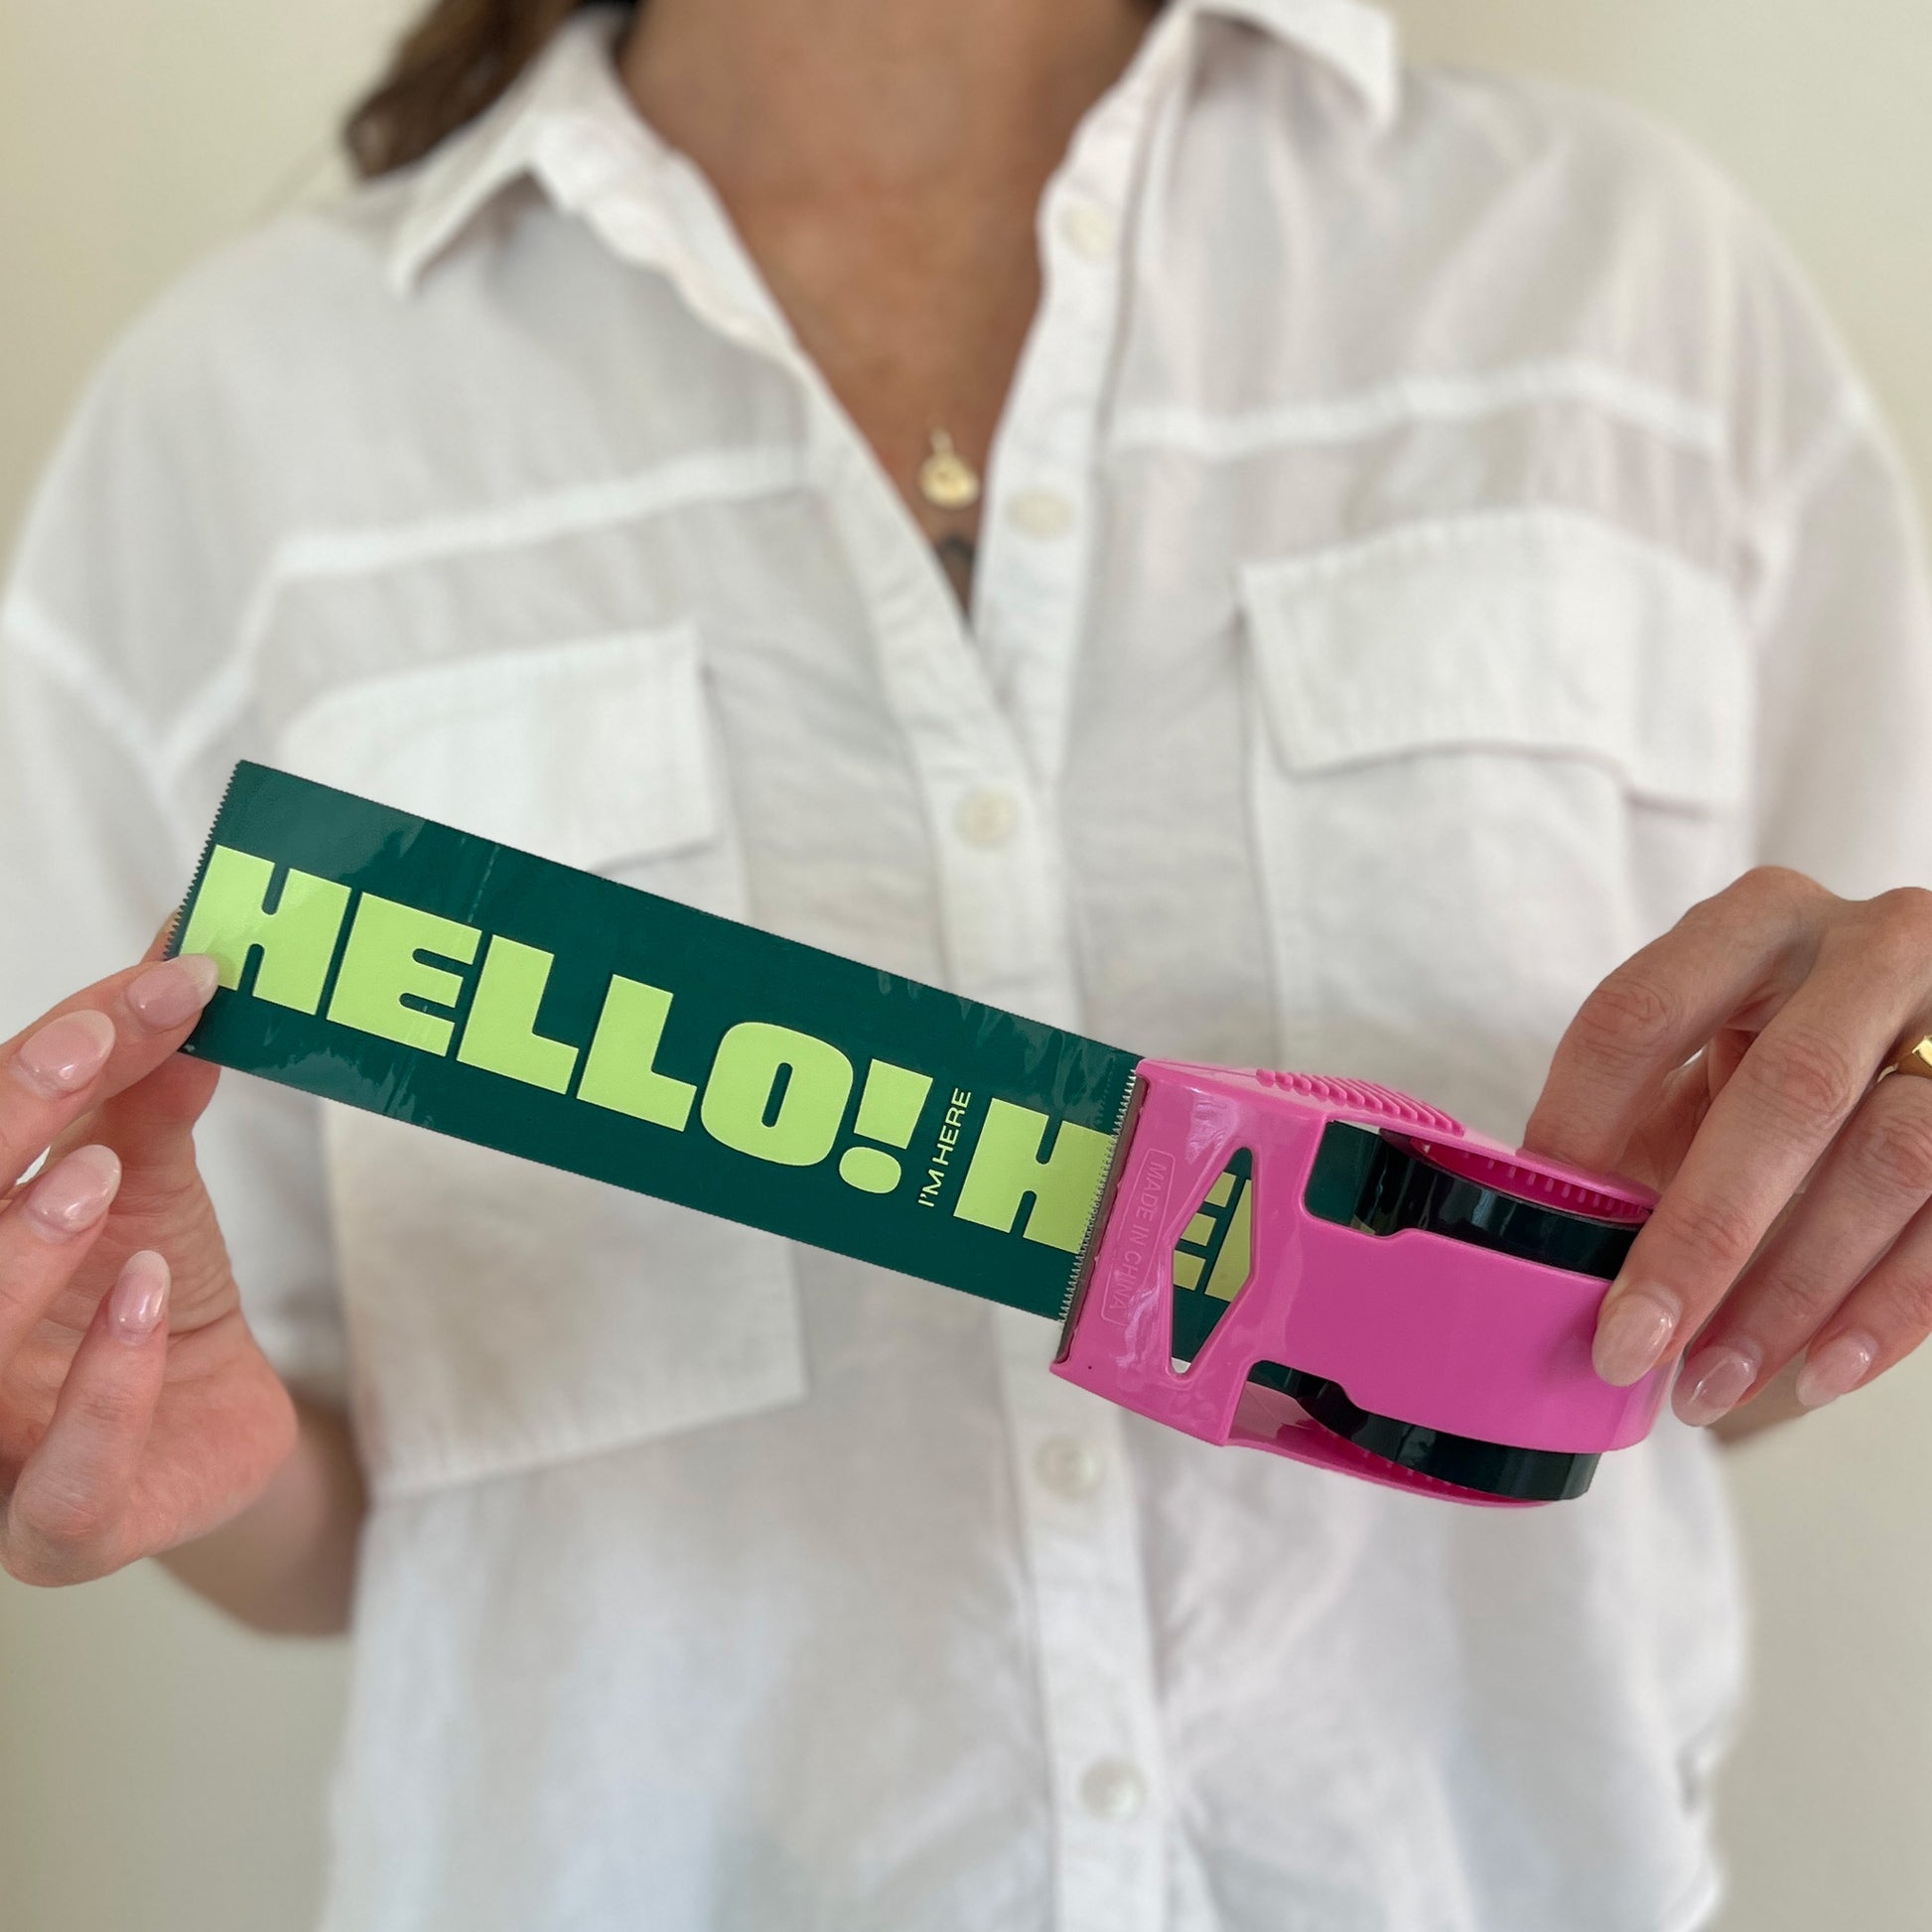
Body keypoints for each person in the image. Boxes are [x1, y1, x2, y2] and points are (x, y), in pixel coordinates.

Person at [3, 0, 1930, 1925]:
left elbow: (1710, 1337)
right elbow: (311, 1475)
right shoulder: (234, 424)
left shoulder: (1622, 281)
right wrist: (173, 1446)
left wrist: (1872, 1145)